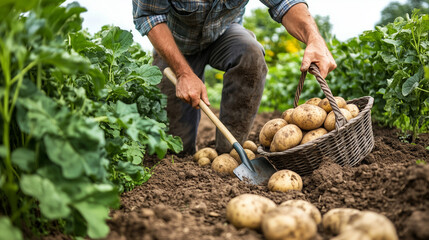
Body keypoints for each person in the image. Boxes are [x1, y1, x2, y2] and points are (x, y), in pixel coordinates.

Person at [132, 0, 336, 155]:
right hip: (175, 44)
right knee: (175, 148)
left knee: (250, 53)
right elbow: (149, 16)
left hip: (223, 33)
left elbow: (285, 4)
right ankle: (184, 156)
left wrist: (313, 37)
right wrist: (184, 73)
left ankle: (229, 153)